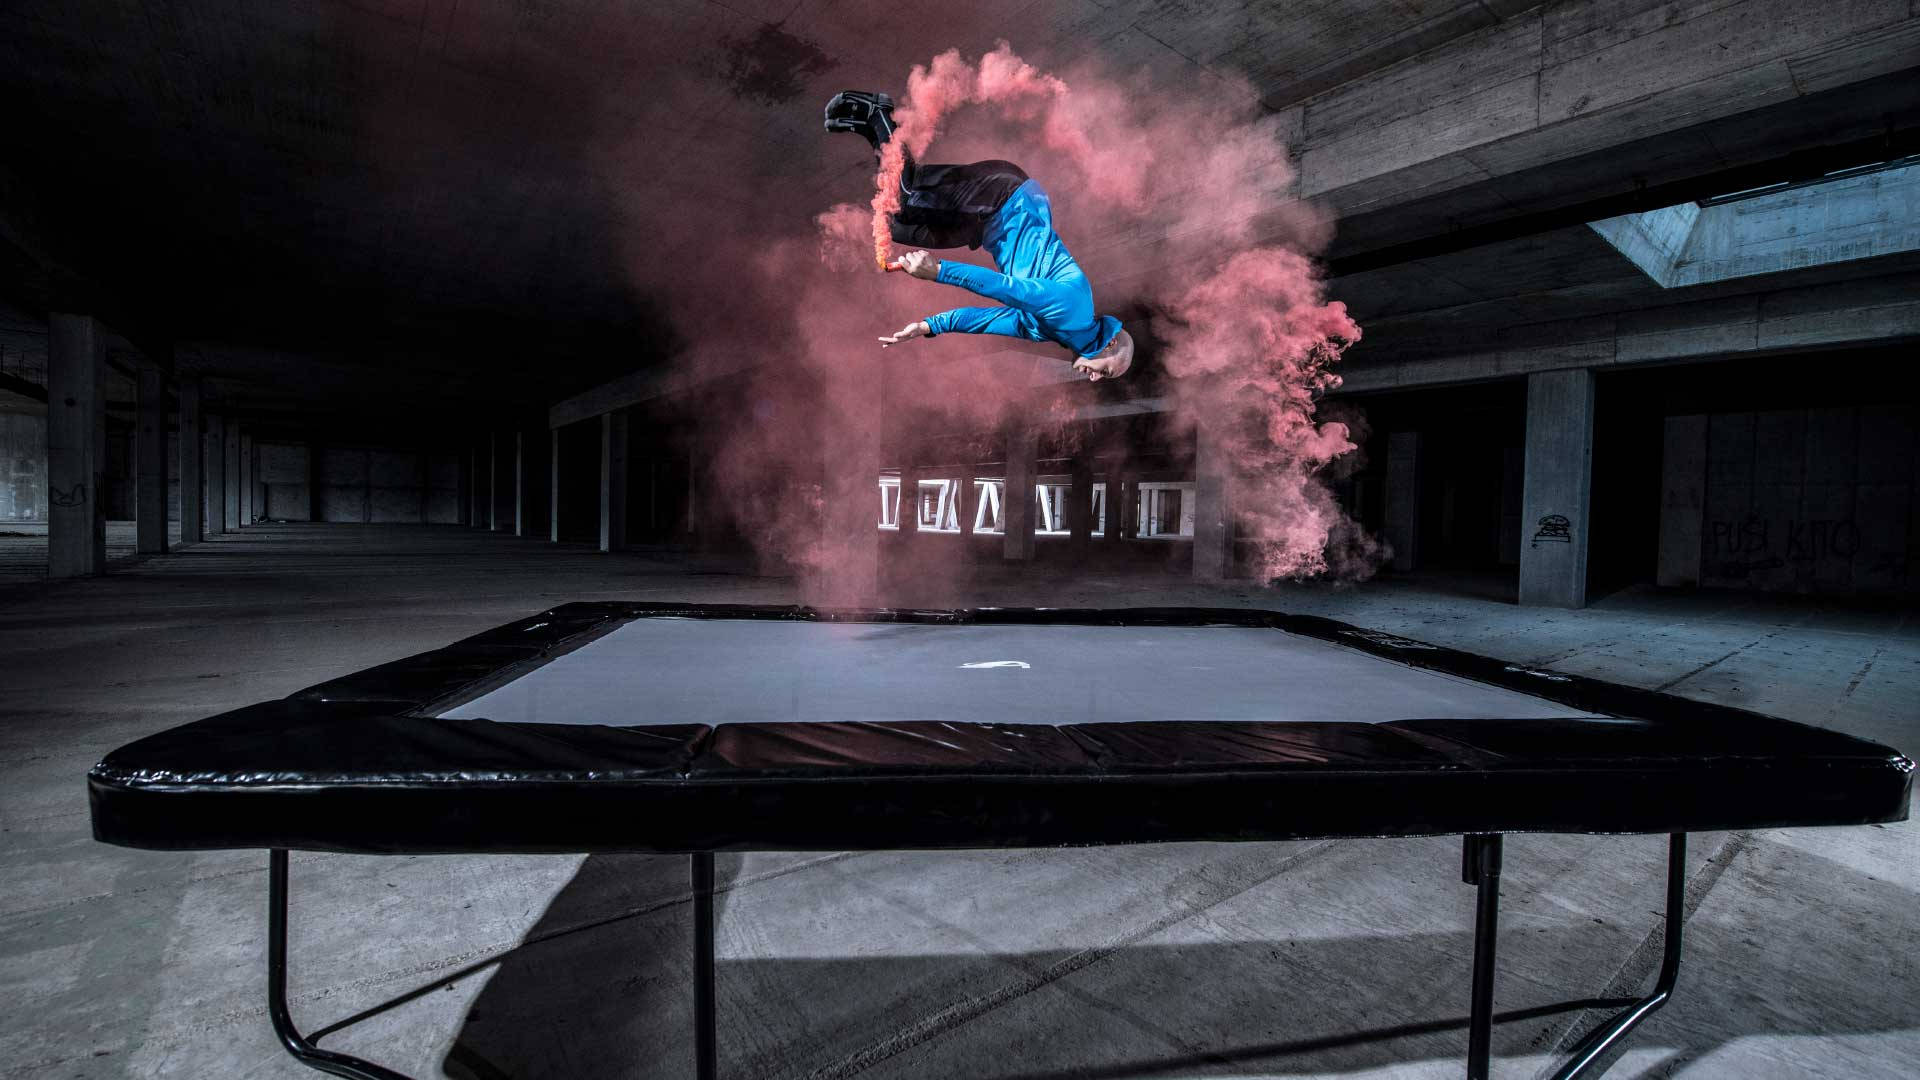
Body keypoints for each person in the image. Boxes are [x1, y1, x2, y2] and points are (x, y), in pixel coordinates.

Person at [824, 90, 1134, 382]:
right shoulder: (1075, 309)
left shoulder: (1050, 331)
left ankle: (872, 131)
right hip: (1005, 197)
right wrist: (940, 272)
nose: (1092, 378)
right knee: (909, 197)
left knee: (898, 225)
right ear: (1108, 346)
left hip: (984, 226)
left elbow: (985, 321)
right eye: (1103, 372)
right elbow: (1004, 288)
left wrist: (929, 326)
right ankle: (878, 111)